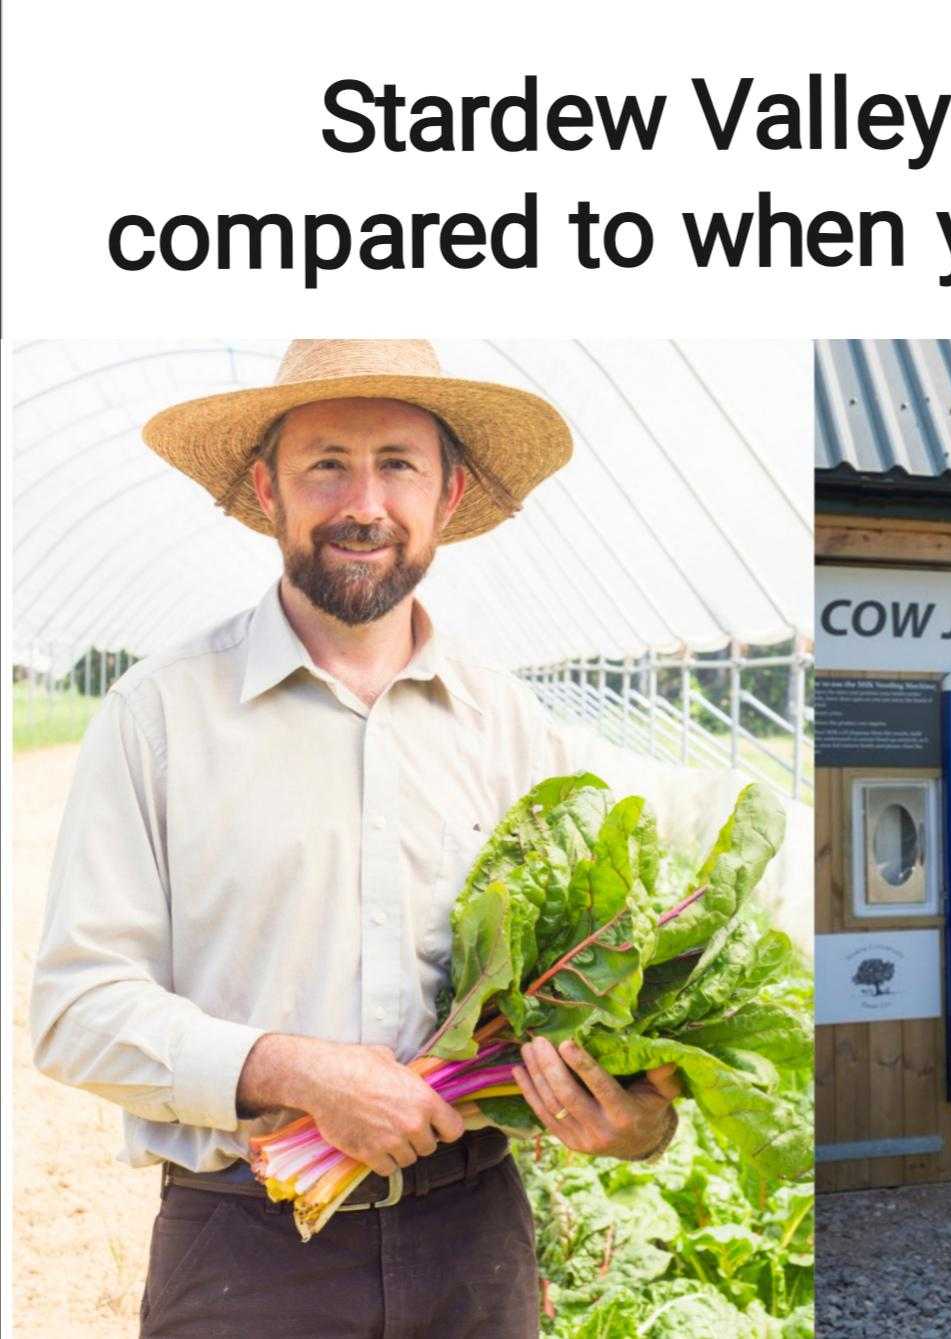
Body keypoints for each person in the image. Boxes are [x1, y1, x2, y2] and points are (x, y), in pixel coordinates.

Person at [29, 340, 775, 1337]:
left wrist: (639, 1120)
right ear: (268, 488)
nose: (363, 503)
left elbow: (602, 992)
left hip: (475, 1242)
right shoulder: (159, 713)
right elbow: (77, 1008)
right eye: (326, 463)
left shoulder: (512, 727)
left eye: (398, 464)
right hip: (246, 1251)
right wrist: (299, 1072)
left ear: (450, 494)